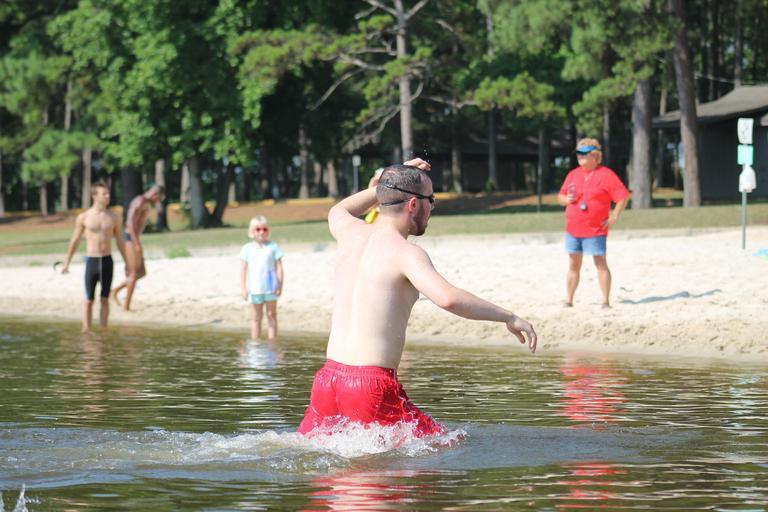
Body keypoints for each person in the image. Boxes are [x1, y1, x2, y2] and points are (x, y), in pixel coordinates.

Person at [298, 158, 537, 438]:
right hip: (370, 385)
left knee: (336, 461)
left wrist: (388, 185)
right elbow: (448, 298)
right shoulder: (406, 253)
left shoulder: (349, 232)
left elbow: (339, 209)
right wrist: (508, 316)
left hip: (328, 381)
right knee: (445, 444)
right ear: (413, 204)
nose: (432, 207)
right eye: (431, 199)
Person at [557, 138, 630, 309]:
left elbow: (623, 196)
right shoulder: (573, 174)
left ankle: (605, 301)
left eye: (584, 153)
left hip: (596, 230)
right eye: (578, 153)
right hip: (573, 229)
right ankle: (568, 300)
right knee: (573, 265)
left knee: (600, 263)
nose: (580, 156)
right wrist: (566, 199)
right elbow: (560, 197)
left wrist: (614, 216)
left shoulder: (606, 174)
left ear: (595, 156)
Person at [61, 181, 128, 331]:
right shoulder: (84, 217)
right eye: (104, 194)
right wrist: (67, 262)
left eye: (108, 193)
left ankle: (103, 331)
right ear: (94, 196)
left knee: (104, 299)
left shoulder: (114, 217)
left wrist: (127, 263)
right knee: (89, 301)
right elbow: (75, 241)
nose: (108, 196)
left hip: (107, 261)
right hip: (91, 261)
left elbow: (120, 242)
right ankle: (86, 331)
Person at [110, 185, 165, 311]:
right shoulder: (140, 201)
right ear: (155, 194)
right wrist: (136, 243)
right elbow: (130, 223)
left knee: (142, 272)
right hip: (130, 238)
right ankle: (126, 307)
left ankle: (115, 291)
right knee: (134, 273)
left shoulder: (145, 203)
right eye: (159, 199)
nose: (157, 202)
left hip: (134, 238)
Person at [240, 216, 284, 340]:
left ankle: (272, 342)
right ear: (252, 231)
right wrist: (243, 288)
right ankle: (255, 343)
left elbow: (279, 268)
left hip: (271, 287)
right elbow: (243, 270)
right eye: (258, 229)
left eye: (264, 229)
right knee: (256, 317)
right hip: (255, 288)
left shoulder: (273, 247)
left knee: (271, 315)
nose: (261, 232)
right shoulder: (247, 249)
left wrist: (280, 285)